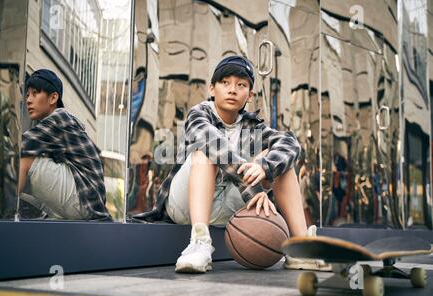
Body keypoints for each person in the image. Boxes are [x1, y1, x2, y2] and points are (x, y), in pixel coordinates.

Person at [137, 56, 330, 273]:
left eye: (241, 85)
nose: (232, 90)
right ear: (212, 89)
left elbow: (290, 144)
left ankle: (301, 248)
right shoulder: (199, 114)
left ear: (249, 95)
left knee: (278, 160)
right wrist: (254, 189)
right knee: (206, 152)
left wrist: (264, 166)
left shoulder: (253, 127)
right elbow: (213, 143)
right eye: (225, 83)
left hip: (229, 205)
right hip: (185, 206)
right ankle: (199, 242)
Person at [19, 69, 112, 221]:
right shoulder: (56, 125)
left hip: (84, 201)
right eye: (28, 94)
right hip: (86, 203)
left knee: (24, 159)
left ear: (53, 97)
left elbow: (19, 148)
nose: (29, 100)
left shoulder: (59, 118)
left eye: (35, 93)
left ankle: (4, 213)